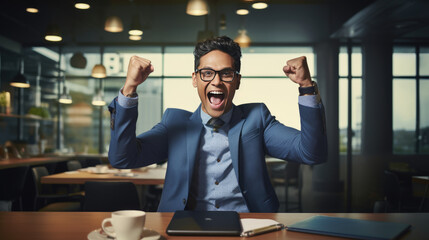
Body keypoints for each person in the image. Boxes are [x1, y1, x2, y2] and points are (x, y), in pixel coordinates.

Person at [108, 36, 327, 213]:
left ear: (237, 81)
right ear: (195, 79)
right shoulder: (174, 122)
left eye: (226, 73)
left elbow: (312, 153)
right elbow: (122, 158)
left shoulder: (256, 118)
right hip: (184, 227)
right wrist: (129, 88)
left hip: (249, 226)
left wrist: (307, 86)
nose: (216, 81)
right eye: (207, 73)